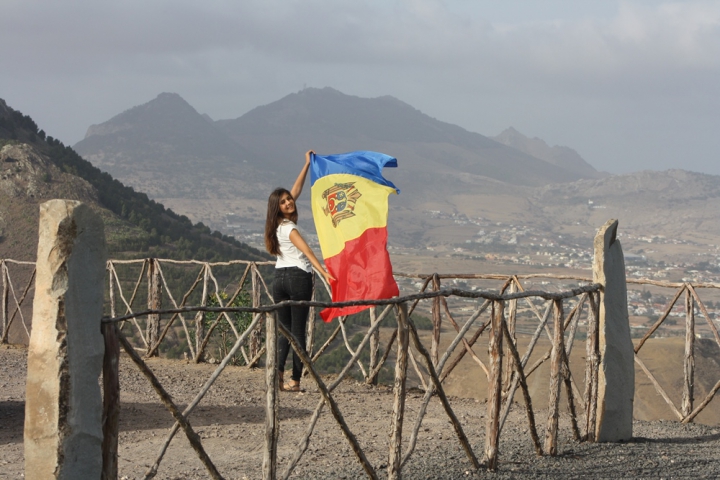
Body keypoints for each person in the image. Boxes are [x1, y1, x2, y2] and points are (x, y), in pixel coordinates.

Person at [264, 150, 334, 392]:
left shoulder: (274, 225)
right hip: (297, 278)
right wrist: (323, 272)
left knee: (284, 331)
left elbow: (295, 190)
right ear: (278, 207)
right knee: (297, 331)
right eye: (283, 201)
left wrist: (306, 165)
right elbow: (306, 251)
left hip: (279, 279)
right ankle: (294, 380)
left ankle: (277, 377)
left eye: (288, 199)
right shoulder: (289, 228)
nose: (289, 202)